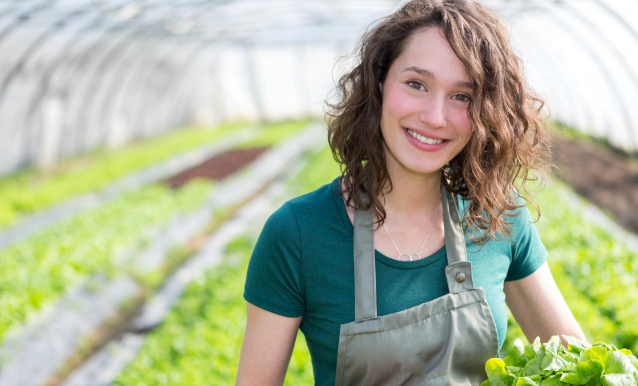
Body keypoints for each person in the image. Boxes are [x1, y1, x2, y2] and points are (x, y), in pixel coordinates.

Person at [237, 0, 586, 384]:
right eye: (416, 84)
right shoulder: (299, 234)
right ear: (380, 82)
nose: (435, 117)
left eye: (462, 96)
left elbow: (575, 365)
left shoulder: (499, 216)